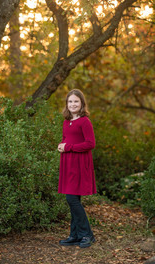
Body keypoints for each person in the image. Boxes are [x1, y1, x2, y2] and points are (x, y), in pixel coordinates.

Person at [58, 89, 96, 248]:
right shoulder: (66, 121)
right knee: (74, 199)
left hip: (80, 164)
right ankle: (74, 235)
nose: (73, 104)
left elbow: (90, 143)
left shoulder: (85, 121)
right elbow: (66, 139)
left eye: (76, 101)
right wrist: (62, 146)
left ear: (81, 104)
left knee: (72, 199)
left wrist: (69, 147)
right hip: (68, 163)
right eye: (70, 102)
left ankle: (87, 234)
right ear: (67, 104)